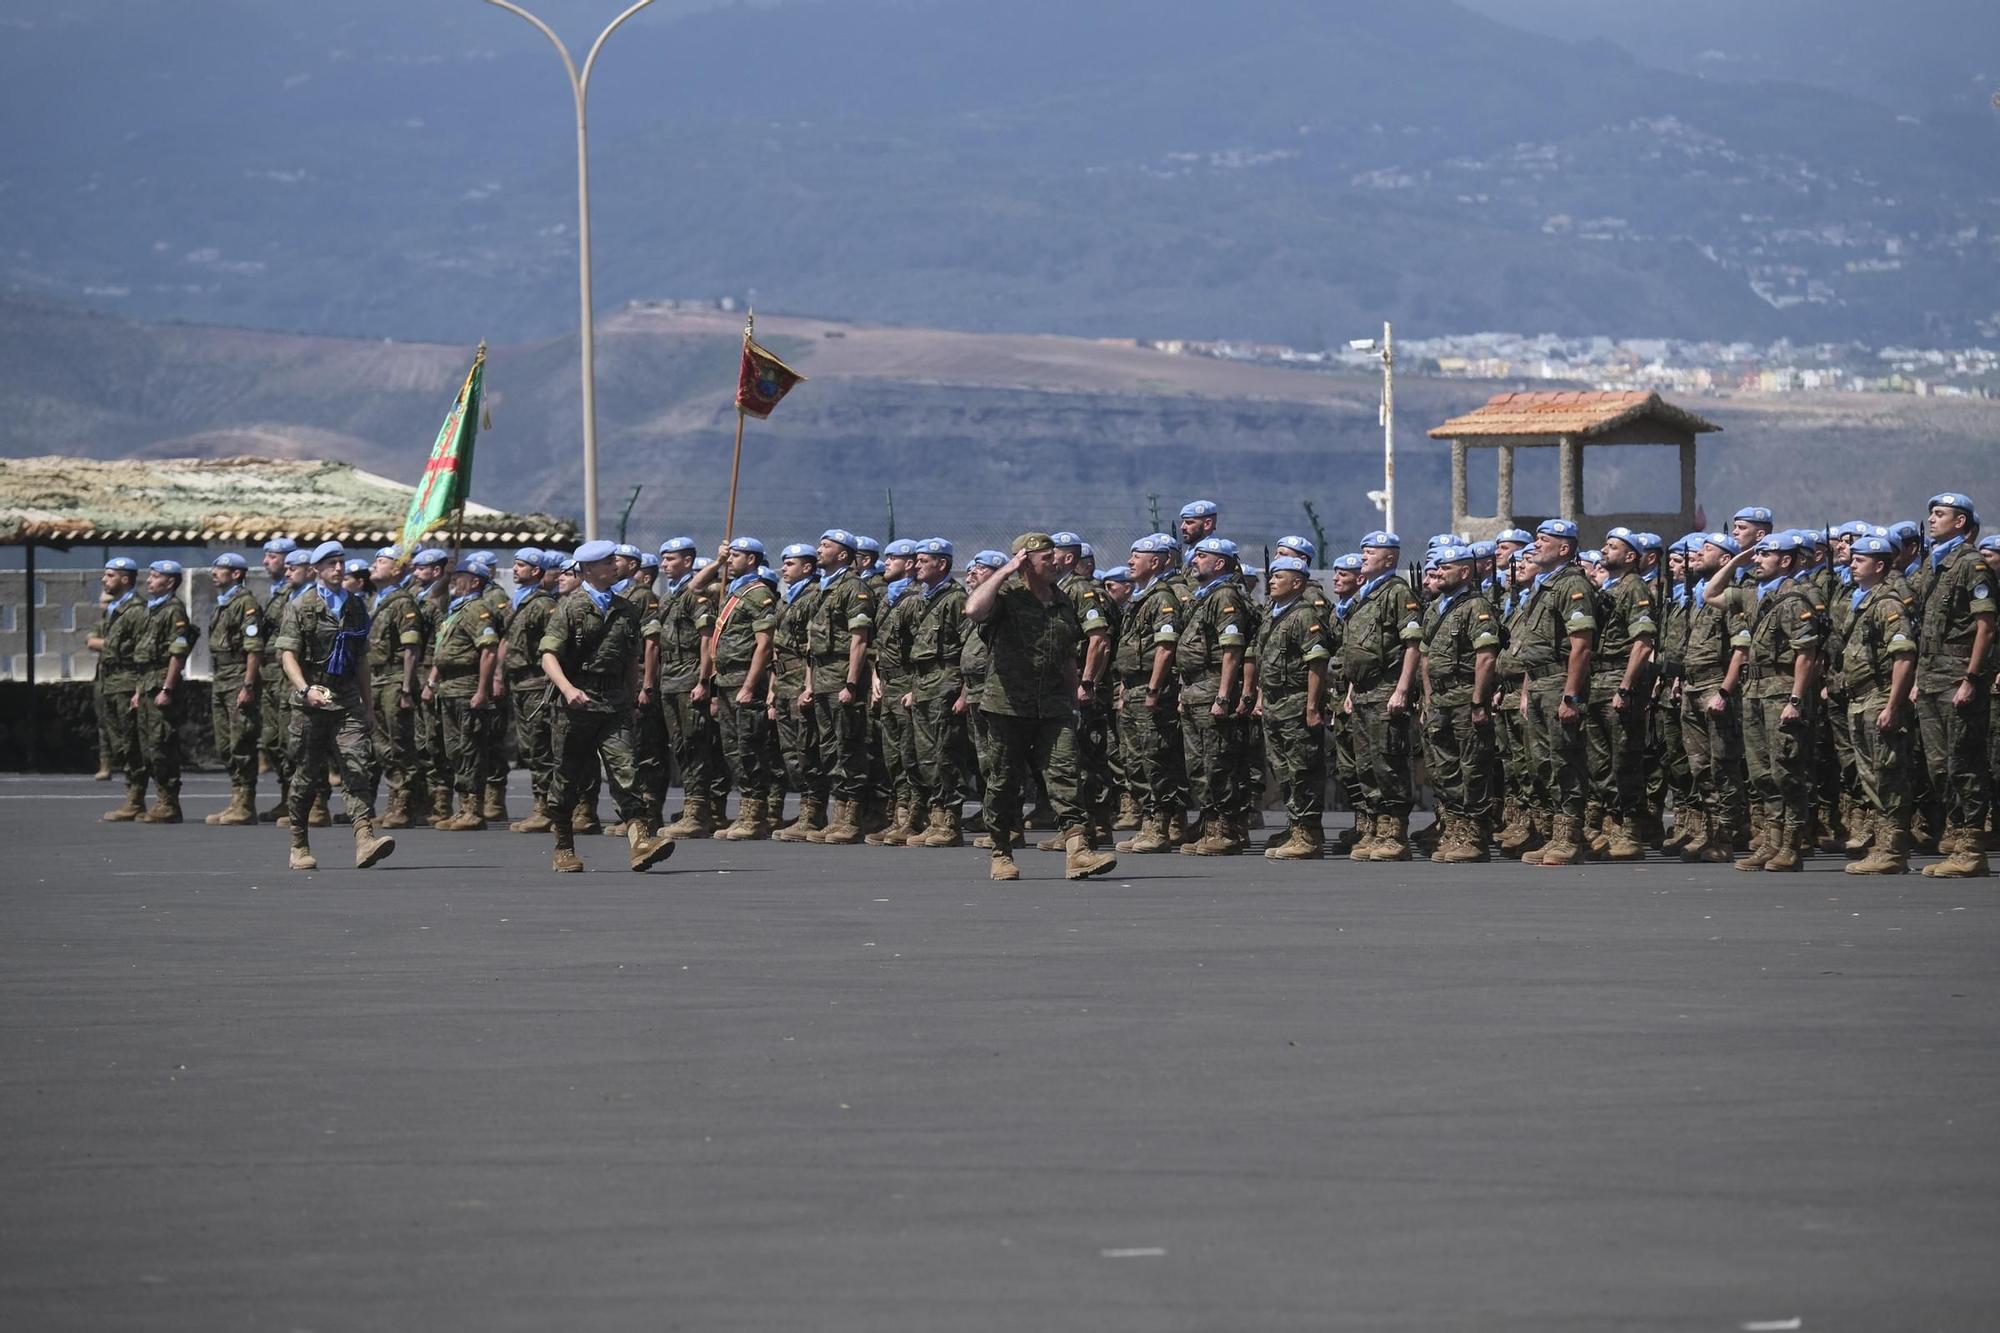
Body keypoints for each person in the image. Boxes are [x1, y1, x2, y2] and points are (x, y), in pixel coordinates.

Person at [962, 533, 1115, 882]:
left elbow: (1066, 655)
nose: (1058, 562)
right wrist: (1005, 571)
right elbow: (973, 609)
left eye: (1057, 557)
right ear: (1026, 561)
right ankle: (1001, 851)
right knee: (1002, 781)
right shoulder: (1006, 597)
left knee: (1065, 774)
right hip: (1007, 705)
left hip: (1053, 705)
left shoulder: (1062, 601)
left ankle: (1078, 850)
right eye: (1048, 558)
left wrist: (1075, 695)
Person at [536, 540, 678, 873]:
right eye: (606, 562)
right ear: (587, 570)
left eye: (615, 560)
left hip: (614, 704)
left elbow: (630, 660)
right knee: (568, 779)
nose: (615, 565)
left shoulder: (626, 609)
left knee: (627, 770)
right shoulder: (571, 607)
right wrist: (568, 689)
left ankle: (640, 842)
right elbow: (548, 657)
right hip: (576, 705)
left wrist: (631, 698)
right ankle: (563, 847)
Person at [271, 542, 395, 872]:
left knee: (357, 767)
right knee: (307, 776)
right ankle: (299, 844)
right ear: (316, 570)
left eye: (341, 563)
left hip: (346, 700)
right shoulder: (301, 606)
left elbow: (362, 660)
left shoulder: (356, 606)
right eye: (330, 564)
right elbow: (288, 655)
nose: (339, 569)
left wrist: (368, 707)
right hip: (310, 703)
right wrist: (305, 689)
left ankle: (365, 839)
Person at [1708, 531, 1825, 871]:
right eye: (1756, 556)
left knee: (1787, 771)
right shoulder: (1754, 595)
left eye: (1764, 555)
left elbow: (1806, 655)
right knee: (1761, 773)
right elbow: (1710, 593)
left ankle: (1791, 846)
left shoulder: (1794, 599)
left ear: (1785, 561)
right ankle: (1771, 842)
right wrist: (1736, 559)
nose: (1756, 560)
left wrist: (1796, 700)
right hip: (1757, 691)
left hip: (1782, 690)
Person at [1913, 492, 1993, 877]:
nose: (1931, 519)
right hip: (1931, 680)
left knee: (1965, 763)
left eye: (1940, 513)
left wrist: (1971, 679)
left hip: (1958, 679)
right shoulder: (1935, 564)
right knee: (1940, 767)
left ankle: (1972, 849)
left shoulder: (1971, 565)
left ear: (1960, 522)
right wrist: (1918, 680)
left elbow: (1985, 626)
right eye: (1931, 513)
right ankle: (1957, 839)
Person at [1515, 519, 1598, 867]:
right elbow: (1531, 647)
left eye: (1543, 540)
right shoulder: (1544, 586)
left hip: (1558, 685)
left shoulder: (1572, 585)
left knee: (1565, 761)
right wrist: (1525, 689)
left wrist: (1571, 696)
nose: (1535, 546)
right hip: (1538, 684)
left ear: (1564, 548)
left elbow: (1581, 646)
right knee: (1543, 764)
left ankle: (1570, 838)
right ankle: (1555, 835)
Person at [1337, 531, 1424, 861]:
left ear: (1389, 558)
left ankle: (1395, 832)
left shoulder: (1398, 593)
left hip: (1386, 690)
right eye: (1363, 551)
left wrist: (1403, 688)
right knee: (1367, 764)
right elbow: (1355, 650)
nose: (1364, 556)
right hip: (1362, 692)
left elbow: (1412, 644)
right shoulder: (1365, 596)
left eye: (1371, 552)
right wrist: (1349, 690)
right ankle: (1376, 825)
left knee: (1389, 762)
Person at [1838, 535, 1920, 874]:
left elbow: (1903, 657)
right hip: (1860, 699)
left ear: (1880, 565)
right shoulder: (1864, 600)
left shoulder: (1887, 603)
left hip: (1878, 696)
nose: (1853, 564)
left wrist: (1892, 704)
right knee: (1871, 776)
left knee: (1888, 775)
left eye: (1860, 560)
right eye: (1853, 559)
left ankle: (1892, 849)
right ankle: (1883, 845)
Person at [1419, 543, 1501, 862]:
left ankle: (1474, 836)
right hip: (1440, 699)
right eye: (1437, 568)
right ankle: (1454, 829)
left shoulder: (1476, 606)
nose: (1439, 572)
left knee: (1473, 768)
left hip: (1465, 696)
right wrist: (1427, 696)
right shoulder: (1436, 607)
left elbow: (1485, 657)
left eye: (1446, 568)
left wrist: (1479, 700)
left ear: (1465, 572)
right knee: (1445, 769)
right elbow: (1425, 656)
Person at [1674, 534, 1751, 862]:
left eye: (1708, 550)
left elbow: (1741, 649)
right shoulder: (1697, 597)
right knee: (1700, 767)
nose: (1698, 555)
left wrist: (1724, 691)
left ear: (1725, 560)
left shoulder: (1732, 599)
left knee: (1724, 765)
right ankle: (1711, 827)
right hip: (1692, 688)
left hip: (1714, 687)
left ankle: (1728, 834)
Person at [1176, 536, 1254, 855]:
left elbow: (1232, 649)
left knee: (1217, 761)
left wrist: (1223, 695)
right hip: (1196, 689)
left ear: (1219, 563)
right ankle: (1211, 823)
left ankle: (1226, 828)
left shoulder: (1224, 596)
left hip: (1211, 688)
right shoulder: (1206, 596)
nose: (1194, 560)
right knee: (1200, 764)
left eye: (1201, 556)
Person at [801, 528, 878, 844]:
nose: (819, 550)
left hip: (842, 679)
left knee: (849, 747)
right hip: (822, 678)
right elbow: (810, 644)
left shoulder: (854, 588)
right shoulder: (822, 589)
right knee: (829, 748)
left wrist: (850, 683)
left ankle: (852, 818)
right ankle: (838, 814)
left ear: (843, 554)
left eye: (826, 545)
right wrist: (809, 684)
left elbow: (859, 641)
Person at [1585, 528, 1658, 859]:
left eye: (1612, 546)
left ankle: (1630, 831)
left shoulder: (1635, 589)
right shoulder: (1609, 589)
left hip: (1617, 681)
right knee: (1601, 763)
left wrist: (1626, 687)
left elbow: (1642, 644)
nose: (1604, 549)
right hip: (1597, 681)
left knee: (1624, 760)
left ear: (1630, 557)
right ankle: (1611, 826)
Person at [703, 537, 782, 840]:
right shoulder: (733, 590)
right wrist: (719, 561)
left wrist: (750, 686)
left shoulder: (758, 593)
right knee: (732, 749)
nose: (731, 559)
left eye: (735, 555)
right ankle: (745, 810)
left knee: (750, 748)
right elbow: (696, 588)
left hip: (743, 682)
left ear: (751, 560)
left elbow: (764, 645)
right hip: (725, 681)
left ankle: (756, 815)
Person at [1253, 556, 1332, 859]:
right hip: (1275, 703)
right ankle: (1296, 827)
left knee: (1303, 769)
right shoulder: (1274, 615)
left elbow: (1317, 663)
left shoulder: (1304, 616)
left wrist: (1313, 706)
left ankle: (1308, 834)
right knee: (1284, 769)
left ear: (1297, 582)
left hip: (1296, 701)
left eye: (1279, 577)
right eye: (1271, 577)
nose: (1271, 581)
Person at [1113, 535, 1187, 854]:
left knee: (1153, 758)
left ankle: (1158, 828)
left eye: (1136, 556)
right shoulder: (1143, 596)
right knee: (1135, 760)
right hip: (1135, 688)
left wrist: (1154, 689)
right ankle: (1150, 823)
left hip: (1150, 689)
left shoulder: (1161, 598)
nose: (1130, 561)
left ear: (1155, 562)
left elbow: (1165, 647)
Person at [902, 538, 973, 848]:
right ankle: (936, 817)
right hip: (925, 682)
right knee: (926, 756)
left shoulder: (956, 599)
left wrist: (964, 693)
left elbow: (971, 647)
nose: (917, 565)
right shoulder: (921, 598)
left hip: (947, 680)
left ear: (942, 564)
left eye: (923, 560)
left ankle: (950, 822)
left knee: (947, 754)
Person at [425, 558, 502, 831]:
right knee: (455, 750)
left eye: (462, 576)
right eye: (456, 576)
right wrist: (432, 682)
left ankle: (473, 809)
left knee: (470, 749)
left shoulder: (477, 610)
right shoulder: (457, 609)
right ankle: (463, 807)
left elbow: (488, 650)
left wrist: (482, 690)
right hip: (448, 688)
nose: (456, 580)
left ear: (476, 582)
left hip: (466, 687)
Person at [121, 560, 197, 824]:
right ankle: (159, 798)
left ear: (171, 582)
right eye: (149, 576)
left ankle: (168, 802)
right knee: (147, 747)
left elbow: (177, 655)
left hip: (162, 686)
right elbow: (146, 659)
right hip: (148, 682)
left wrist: (167, 688)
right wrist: (140, 691)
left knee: (161, 744)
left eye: (156, 577)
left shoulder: (173, 611)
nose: (149, 581)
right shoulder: (154, 611)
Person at [502, 549, 563, 833]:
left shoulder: (542, 605)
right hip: (519, 684)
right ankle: (543, 805)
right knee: (529, 746)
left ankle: (548, 808)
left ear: (537, 571)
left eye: (522, 565)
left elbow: (552, 646)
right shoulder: (519, 601)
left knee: (540, 746)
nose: (515, 569)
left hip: (537, 683)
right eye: (515, 564)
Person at [365, 546, 427, 828]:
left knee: (400, 744)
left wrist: (405, 687)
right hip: (375, 679)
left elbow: (411, 648)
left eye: (382, 561)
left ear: (398, 569)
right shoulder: (376, 600)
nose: (374, 565)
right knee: (382, 746)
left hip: (393, 680)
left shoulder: (403, 603)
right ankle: (393, 800)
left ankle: (406, 803)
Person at [769, 543, 826, 841]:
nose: (784, 569)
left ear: (807, 567)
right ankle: (807, 808)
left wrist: (808, 686)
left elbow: (811, 648)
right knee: (790, 751)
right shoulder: (785, 599)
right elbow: (776, 647)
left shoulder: (813, 596)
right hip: (782, 680)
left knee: (806, 749)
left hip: (801, 679)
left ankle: (813, 813)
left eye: (790, 564)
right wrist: (771, 689)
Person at [203, 553, 264, 826]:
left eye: (221, 569)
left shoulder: (246, 604)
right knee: (225, 743)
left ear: (237, 574)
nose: (214, 572)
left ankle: (245, 803)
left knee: (242, 741)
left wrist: (248, 685)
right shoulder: (224, 604)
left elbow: (253, 648)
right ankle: (235, 798)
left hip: (238, 676)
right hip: (222, 678)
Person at [93, 558, 149, 821]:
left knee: (130, 743)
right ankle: (132, 795)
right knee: (118, 744)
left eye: (110, 575)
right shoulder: (115, 609)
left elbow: (142, 652)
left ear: (125, 579)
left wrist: (139, 688)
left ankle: (136, 798)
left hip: (127, 683)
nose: (104, 580)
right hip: (111, 682)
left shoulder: (136, 610)